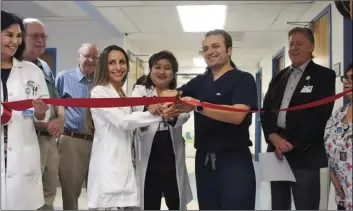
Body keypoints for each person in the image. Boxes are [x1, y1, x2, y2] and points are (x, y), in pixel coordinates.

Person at [161, 29, 258, 210]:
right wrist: (163, 98)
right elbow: (173, 93)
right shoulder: (200, 82)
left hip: (234, 162)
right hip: (204, 162)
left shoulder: (243, 79)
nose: (210, 51)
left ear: (229, 50)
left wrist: (198, 106)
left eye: (215, 46)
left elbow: (237, 115)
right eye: (205, 48)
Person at [260, 27, 336, 210]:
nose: (293, 48)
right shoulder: (279, 77)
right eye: (291, 44)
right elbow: (266, 110)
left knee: (306, 204)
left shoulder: (324, 76)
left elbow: (320, 115)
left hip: (305, 152)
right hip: (276, 151)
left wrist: (292, 142)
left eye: (299, 43)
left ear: (311, 46)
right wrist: (273, 137)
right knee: (278, 204)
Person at [86, 45, 162, 210]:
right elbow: (123, 121)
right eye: (112, 62)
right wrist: (158, 114)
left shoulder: (121, 92)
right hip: (109, 169)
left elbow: (131, 122)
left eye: (122, 62)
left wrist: (151, 110)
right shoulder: (99, 92)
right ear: (103, 67)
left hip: (124, 166)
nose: (118, 67)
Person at [1, 10, 51, 210]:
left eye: (19, 36)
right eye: (9, 35)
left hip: (22, 155)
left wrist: (40, 113)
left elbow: (44, 110)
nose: (15, 41)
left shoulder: (33, 71)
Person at [132, 50, 192, 210]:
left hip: (171, 160)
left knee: (176, 203)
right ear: (150, 71)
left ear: (173, 74)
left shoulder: (179, 94)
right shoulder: (140, 91)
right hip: (149, 160)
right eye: (157, 67)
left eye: (167, 68)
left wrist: (172, 113)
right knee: (150, 203)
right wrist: (148, 107)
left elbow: (185, 115)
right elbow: (135, 111)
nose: (162, 71)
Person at [22, 18, 64, 210]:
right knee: (28, 190)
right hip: (29, 138)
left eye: (43, 36)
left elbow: (56, 98)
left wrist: (61, 118)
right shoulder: (14, 68)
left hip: (50, 139)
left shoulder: (44, 66)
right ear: (22, 38)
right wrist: (41, 120)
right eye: (35, 36)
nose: (41, 41)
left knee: (49, 190)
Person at [55, 43, 99, 210]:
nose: (91, 60)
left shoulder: (101, 81)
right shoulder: (64, 77)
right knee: (70, 192)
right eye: (87, 55)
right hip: (72, 141)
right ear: (78, 56)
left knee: (98, 191)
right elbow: (55, 108)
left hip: (98, 142)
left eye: (95, 57)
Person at [324, 63, 352, 210]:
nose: (347, 82)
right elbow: (327, 148)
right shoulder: (337, 115)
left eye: (352, 78)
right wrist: (334, 178)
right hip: (342, 195)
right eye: (346, 78)